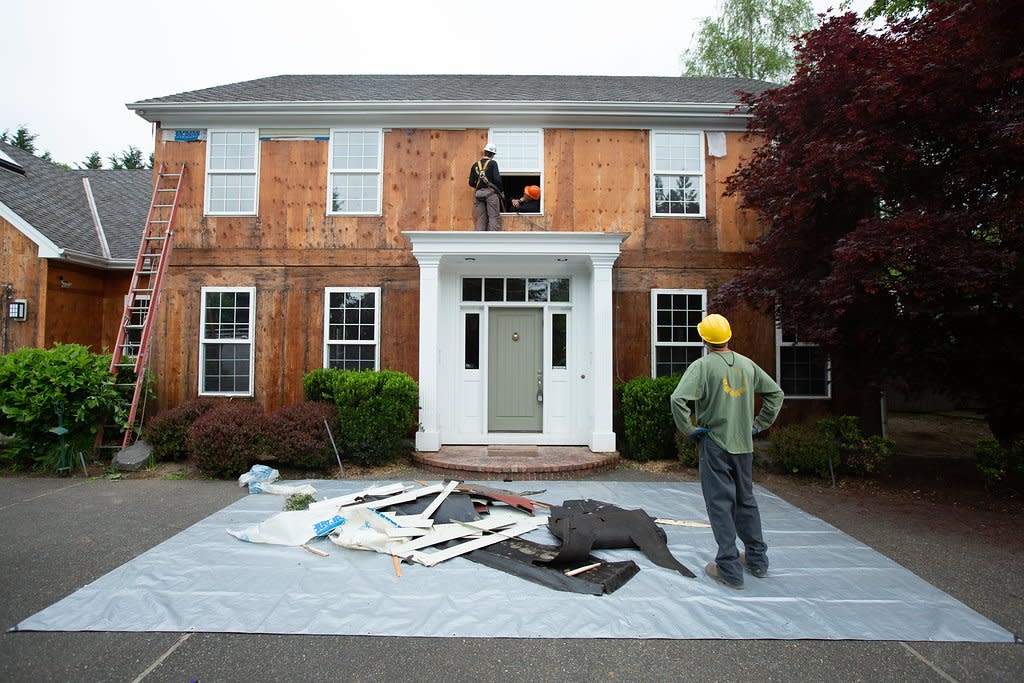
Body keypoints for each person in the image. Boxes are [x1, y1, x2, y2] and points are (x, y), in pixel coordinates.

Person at [670, 313, 784, 590]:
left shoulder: (702, 366)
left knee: (720, 504)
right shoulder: (747, 365)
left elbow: (678, 398)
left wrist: (689, 429)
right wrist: (758, 426)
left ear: (704, 339)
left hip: (715, 444)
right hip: (744, 445)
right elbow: (775, 394)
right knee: (746, 500)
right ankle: (757, 561)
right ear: (728, 336)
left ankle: (729, 568)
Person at [468, 143, 503, 231]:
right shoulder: (493, 163)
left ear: (484, 152)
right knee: (493, 217)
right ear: (493, 154)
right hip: (490, 193)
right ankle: (493, 240)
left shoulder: (475, 165)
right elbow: (497, 180)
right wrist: (500, 191)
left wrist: (480, 187)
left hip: (478, 194)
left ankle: (479, 240)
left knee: (481, 218)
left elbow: (471, 182)